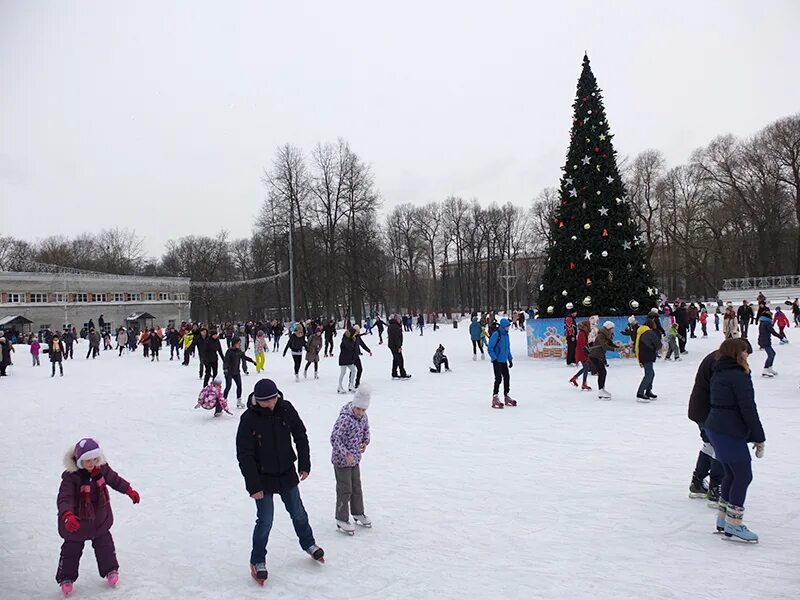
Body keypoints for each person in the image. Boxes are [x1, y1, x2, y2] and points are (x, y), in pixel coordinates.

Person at [235, 379, 324, 583]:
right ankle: (257, 560)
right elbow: (244, 455)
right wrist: (253, 485)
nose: (272, 404)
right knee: (265, 521)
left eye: (274, 399)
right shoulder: (248, 419)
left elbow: (300, 435)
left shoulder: (285, 408)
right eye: (267, 401)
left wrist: (304, 463)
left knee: (298, 513)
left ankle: (309, 544)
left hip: (286, 472)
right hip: (262, 478)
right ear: (258, 400)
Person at [55, 438, 140, 596]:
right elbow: (64, 498)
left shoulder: (101, 469)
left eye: (94, 459)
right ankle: (66, 578)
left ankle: (111, 570)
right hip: (76, 523)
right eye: (87, 460)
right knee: (71, 551)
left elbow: (114, 479)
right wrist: (67, 515)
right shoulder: (71, 477)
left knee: (105, 546)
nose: (91, 463)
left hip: (99, 520)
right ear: (80, 460)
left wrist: (129, 490)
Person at [704, 338, 765, 542]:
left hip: (717, 427)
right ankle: (734, 523)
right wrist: (759, 437)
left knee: (731, 474)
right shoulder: (738, 376)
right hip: (728, 431)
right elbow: (748, 408)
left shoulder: (720, 371)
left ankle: (723, 519)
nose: (748, 354)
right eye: (745, 351)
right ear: (736, 353)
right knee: (743, 475)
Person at [331, 385, 372, 535]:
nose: (361, 413)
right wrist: (345, 454)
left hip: (355, 459)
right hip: (341, 461)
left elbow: (366, 430)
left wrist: (365, 441)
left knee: (356, 486)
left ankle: (358, 512)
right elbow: (335, 439)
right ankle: (341, 517)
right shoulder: (345, 419)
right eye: (358, 409)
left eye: (363, 410)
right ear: (354, 405)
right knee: (345, 488)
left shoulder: (363, 417)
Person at [488, 318, 515, 409]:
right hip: (497, 360)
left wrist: (510, 359)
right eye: (507, 326)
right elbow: (490, 348)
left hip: (503, 360)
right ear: (503, 327)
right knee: (498, 378)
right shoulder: (496, 334)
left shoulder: (506, 335)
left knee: (507, 377)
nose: (508, 328)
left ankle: (506, 396)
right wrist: (494, 358)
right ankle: (495, 397)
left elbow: (507, 348)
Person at [588, 321, 620, 400]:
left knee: (603, 372)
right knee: (602, 372)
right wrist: (615, 349)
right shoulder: (601, 335)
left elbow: (610, 344)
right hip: (594, 356)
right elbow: (605, 346)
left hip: (598, 356)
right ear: (609, 328)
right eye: (612, 328)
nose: (613, 330)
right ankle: (601, 390)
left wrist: (619, 347)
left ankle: (602, 389)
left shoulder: (606, 335)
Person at [224, 338, 256, 408]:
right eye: (238, 343)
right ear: (234, 344)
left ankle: (239, 401)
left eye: (240, 343)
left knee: (239, 386)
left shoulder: (239, 351)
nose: (240, 344)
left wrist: (252, 361)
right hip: (229, 372)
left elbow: (244, 357)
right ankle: (223, 401)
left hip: (236, 371)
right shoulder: (229, 351)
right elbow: (225, 361)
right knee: (228, 386)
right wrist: (225, 369)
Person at [635, 319, 661, 402]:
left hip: (643, 355)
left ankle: (648, 391)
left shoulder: (641, 331)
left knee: (651, 374)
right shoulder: (650, 333)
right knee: (649, 374)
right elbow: (658, 344)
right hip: (648, 355)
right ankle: (640, 393)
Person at [569, 320, 592, 391]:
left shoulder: (584, 332)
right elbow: (582, 345)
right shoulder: (582, 333)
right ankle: (583, 383)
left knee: (586, 368)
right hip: (582, 353)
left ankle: (574, 378)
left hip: (582, 352)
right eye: (589, 325)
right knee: (586, 367)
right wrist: (588, 352)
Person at [757, 308, 780, 377]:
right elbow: (772, 332)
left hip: (764, 340)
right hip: (765, 341)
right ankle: (765, 370)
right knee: (770, 355)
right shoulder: (766, 323)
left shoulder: (763, 322)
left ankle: (770, 368)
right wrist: (781, 337)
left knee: (773, 354)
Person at [388, 315, 410, 380]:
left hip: (392, 345)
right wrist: (399, 346)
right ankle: (402, 373)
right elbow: (396, 337)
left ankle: (394, 373)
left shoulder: (391, 325)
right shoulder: (395, 326)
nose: (400, 320)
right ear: (396, 319)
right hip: (395, 345)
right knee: (400, 359)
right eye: (399, 319)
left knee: (396, 359)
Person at [337, 328, 358, 394]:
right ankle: (339, 386)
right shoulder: (345, 339)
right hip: (343, 358)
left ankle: (351, 385)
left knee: (353, 370)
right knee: (343, 372)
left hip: (349, 358)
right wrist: (353, 341)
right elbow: (349, 347)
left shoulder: (351, 339)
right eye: (354, 334)